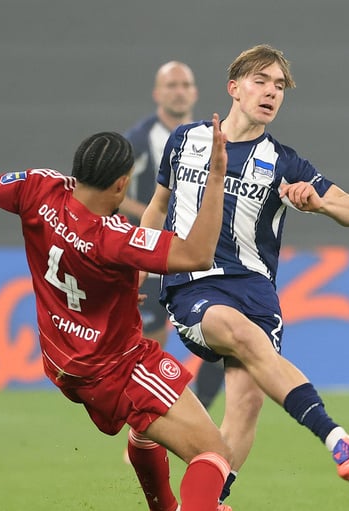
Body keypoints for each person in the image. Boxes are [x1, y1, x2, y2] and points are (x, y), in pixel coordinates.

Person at [0, 115, 248, 511]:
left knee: (146, 429)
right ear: (121, 184)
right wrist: (216, 176)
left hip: (62, 362)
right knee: (215, 454)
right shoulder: (114, 238)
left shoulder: (38, 187)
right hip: (118, 365)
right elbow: (197, 254)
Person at [140, 44, 349, 506]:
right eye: (261, 81)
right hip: (196, 286)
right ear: (234, 88)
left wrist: (319, 202)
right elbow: (158, 208)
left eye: (279, 86)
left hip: (257, 292)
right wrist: (137, 275)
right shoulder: (185, 140)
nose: (271, 92)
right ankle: (334, 436)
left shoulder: (284, 162)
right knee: (237, 331)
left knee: (245, 406)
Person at [122, 61, 225, 410]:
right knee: (149, 346)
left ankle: (196, 415)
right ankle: (147, 424)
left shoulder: (214, 138)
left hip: (199, 257)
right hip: (151, 257)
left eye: (185, 85)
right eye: (172, 85)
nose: (179, 91)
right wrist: (153, 217)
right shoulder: (138, 140)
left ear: (194, 92)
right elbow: (112, 192)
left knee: (221, 344)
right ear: (158, 93)